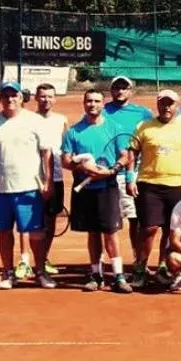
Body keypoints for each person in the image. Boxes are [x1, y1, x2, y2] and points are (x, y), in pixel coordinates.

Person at [128, 89, 181, 289]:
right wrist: (130, 177)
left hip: (179, 185)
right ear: (158, 104)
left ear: (176, 106)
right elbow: (132, 153)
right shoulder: (144, 127)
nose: (167, 107)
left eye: (170, 103)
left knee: (171, 231)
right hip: (149, 184)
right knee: (149, 229)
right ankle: (140, 269)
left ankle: (163, 266)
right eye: (163, 103)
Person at [0, 81, 54, 290]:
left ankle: (40, 272)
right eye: (5, 96)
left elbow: (46, 153)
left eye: (14, 95)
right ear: (0, 99)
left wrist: (48, 182)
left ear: (22, 97)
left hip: (29, 187)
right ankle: (7, 272)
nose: (10, 99)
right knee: (3, 233)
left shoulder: (35, 121)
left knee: (36, 234)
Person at [62, 89, 131, 293]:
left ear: (103, 104)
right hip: (85, 189)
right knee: (93, 233)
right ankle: (96, 275)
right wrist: (84, 168)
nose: (93, 104)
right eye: (89, 101)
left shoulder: (114, 127)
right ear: (84, 104)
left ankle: (118, 276)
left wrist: (111, 170)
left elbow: (125, 156)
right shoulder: (73, 132)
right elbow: (66, 160)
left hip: (107, 187)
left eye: (97, 101)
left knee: (110, 231)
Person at [102, 76, 153, 272]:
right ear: (111, 91)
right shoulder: (102, 111)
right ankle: (104, 263)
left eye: (124, 88)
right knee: (108, 222)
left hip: (135, 175)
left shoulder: (143, 113)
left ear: (131, 91)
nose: (120, 91)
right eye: (116, 88)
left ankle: (137, 261)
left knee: (136, 220)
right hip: (108, 174)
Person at [29, 82, 70, 279]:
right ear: (36, 98)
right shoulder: (28, 119)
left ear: (55, 98)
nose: (46, 100)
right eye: (42, 96)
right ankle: (24, 260)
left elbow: (66, 150)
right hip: (31, 177)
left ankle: (43, 258)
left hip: (55, 176)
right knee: (30, 220)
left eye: (50, 96)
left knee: (51, 218)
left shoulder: (62, 120)